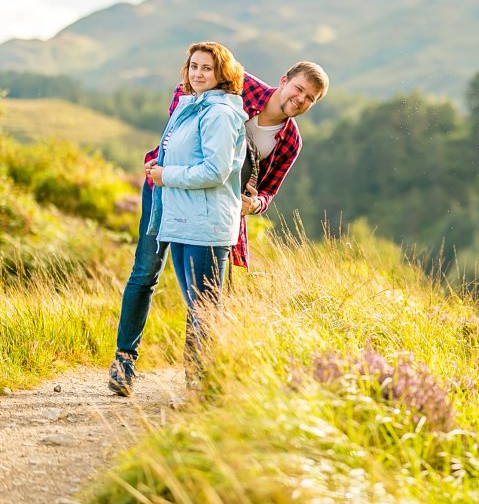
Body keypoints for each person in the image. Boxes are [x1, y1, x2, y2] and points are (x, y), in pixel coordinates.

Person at [108, 54, 330, 396]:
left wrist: (254, 202)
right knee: (146, 272)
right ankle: (124, 362)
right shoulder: (241, 85)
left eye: (309, 99)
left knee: (203, 294)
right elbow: (185, 89)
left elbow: (269, 190)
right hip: (166, 187)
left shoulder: (290, 141)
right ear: (284, 80)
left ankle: (197, 382)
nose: (299, 100)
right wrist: (172, 152)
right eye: (299, 89)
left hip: (211, 210)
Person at [145, 42, 247, 387]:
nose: (198, 73)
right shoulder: (193, 107)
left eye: (207, 68)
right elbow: (185, 157)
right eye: (193, 66)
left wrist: (166, 175)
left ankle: (206, 385)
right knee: (198, 307)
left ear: (223, 74)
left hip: (206, 225)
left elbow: (215, 171)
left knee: (205, 309)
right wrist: (160, 166)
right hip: (184, 222)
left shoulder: (219, 113)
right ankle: (198, 383)